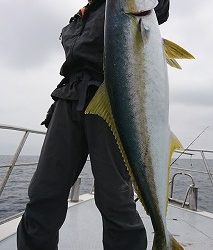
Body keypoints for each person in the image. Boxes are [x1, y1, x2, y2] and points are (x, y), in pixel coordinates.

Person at [17, 0, 170, 249]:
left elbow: (159, 8)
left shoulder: (121, 6)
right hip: (68, 98)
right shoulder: (79, 17)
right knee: (43, 194)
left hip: (112, 98)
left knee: (115, 199)